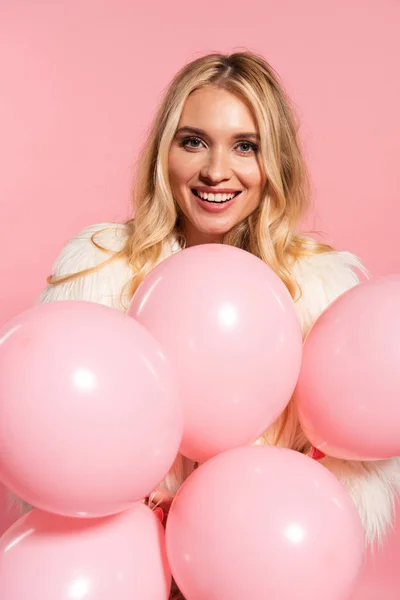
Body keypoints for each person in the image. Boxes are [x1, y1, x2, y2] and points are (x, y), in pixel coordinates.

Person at [20, 51, 400, 598]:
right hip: (123, 571)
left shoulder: (318, 289)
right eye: (193, 140)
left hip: (254, 574)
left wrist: (242, 523)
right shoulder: (99, 270)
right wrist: (147, 518)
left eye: (245, 146)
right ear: (164, 151)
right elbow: (50, 439)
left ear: (275, 162)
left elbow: (352, 477)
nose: (216, 170)